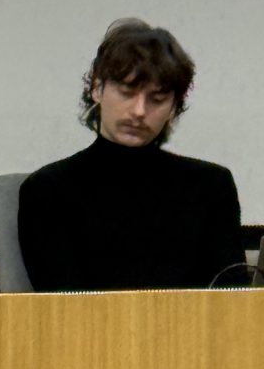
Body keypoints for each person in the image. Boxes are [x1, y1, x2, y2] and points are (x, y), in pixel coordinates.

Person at [17, 18, 245, 291]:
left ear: (174, 107)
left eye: (157, 99)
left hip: (193, 320)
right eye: (127, 92)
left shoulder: (211, 187)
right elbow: (62, 302)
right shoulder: (48, 190)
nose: (139, 111)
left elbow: (232, 297)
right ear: (97, 88)